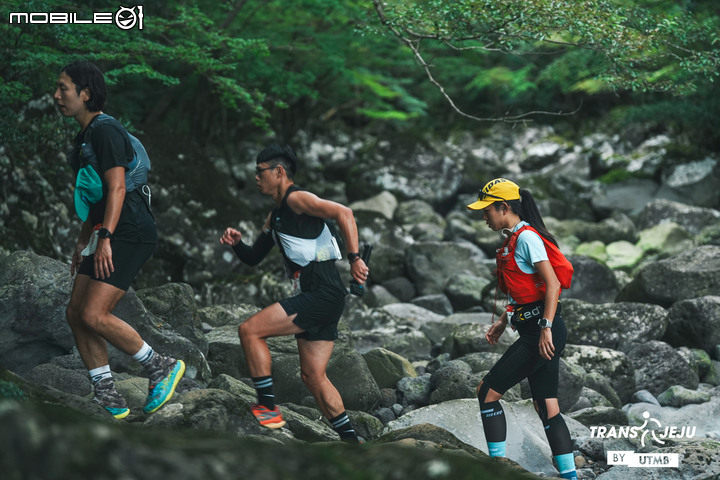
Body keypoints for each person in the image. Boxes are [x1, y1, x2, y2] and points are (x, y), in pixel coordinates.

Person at [56, 60, 184, 419]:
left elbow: (117, 186)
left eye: (63, 88)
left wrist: (107, 237)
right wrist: (85, 243)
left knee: (95, 313)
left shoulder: (106, 131)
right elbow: (95, 197)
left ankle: (160, 364)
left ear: (85, 94)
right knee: (76, 313)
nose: (57, 95)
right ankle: (107, 395)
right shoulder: (85, 137)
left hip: (129, 231)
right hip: (107, 230)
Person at [220, 144, 368, 442]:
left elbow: (345, 213)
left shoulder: (297, 198)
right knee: (312, 376)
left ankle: (267, 407)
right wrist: (236, 243)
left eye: (260, 172)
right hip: (325, 296)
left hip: (321, 292)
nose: (256, 178)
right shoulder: (275, 215)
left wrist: (355, 259)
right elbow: (253, 257)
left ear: (279, 171)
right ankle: (352, 443)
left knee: (249, 331)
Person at [467, 178, 577, 480]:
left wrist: (545, 329)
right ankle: (570, 475)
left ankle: (497, 470)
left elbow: (552, 283)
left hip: (540, 333)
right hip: (537, 328)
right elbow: (525, 290)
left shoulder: (527, 238)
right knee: (547, 404)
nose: (483, 217)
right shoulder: (513, 238)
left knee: (486, 392)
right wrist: (504, 320)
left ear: (504, 208)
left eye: (486, 210)